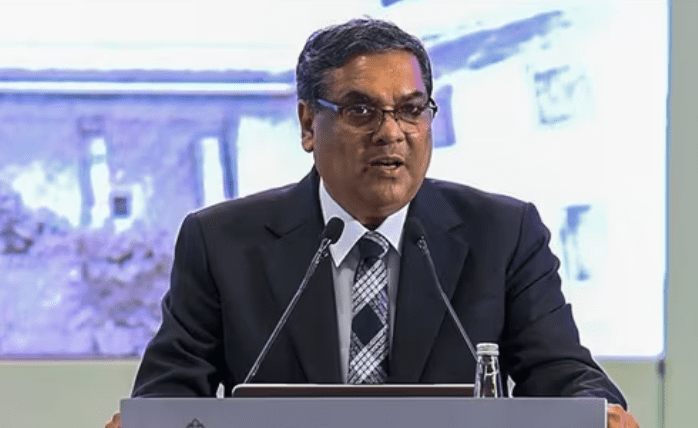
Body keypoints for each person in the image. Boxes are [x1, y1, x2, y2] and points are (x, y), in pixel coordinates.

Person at [105, 18, 639, 428]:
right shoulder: (222, 241)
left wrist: (598, 413)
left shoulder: (503, 233)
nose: (392, 132)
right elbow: (171, 390)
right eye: (361, 111)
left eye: (411, 110)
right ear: (309, 123)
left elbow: (563, 373)